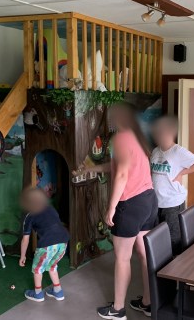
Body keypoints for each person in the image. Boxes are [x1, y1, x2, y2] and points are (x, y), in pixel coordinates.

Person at [77, 102, 157, 319]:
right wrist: (92, 168)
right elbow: (117, 167)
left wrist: (111, 207)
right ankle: (149, 303)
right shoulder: (137, 137)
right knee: (143, 254)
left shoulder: (120, 139)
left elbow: (121, 174)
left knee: (122, 258)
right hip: (148, 200)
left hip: (130, 204)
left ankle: (118, 309)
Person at [150, 116, 194, 254]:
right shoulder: (155, 151)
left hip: (172, 203)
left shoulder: (178, 151)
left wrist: (181, 173)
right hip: (156, 203)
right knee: (159, 239)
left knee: (174, 240)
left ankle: (176, 271)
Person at [19, 187, 70, 302]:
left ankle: (38, 294)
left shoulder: (30, 216)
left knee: (37, 269)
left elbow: (25, 239)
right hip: (63, 241)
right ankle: (58, 291)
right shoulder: (51, 209)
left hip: (47, 244)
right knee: (52, 266)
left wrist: (23, 256)